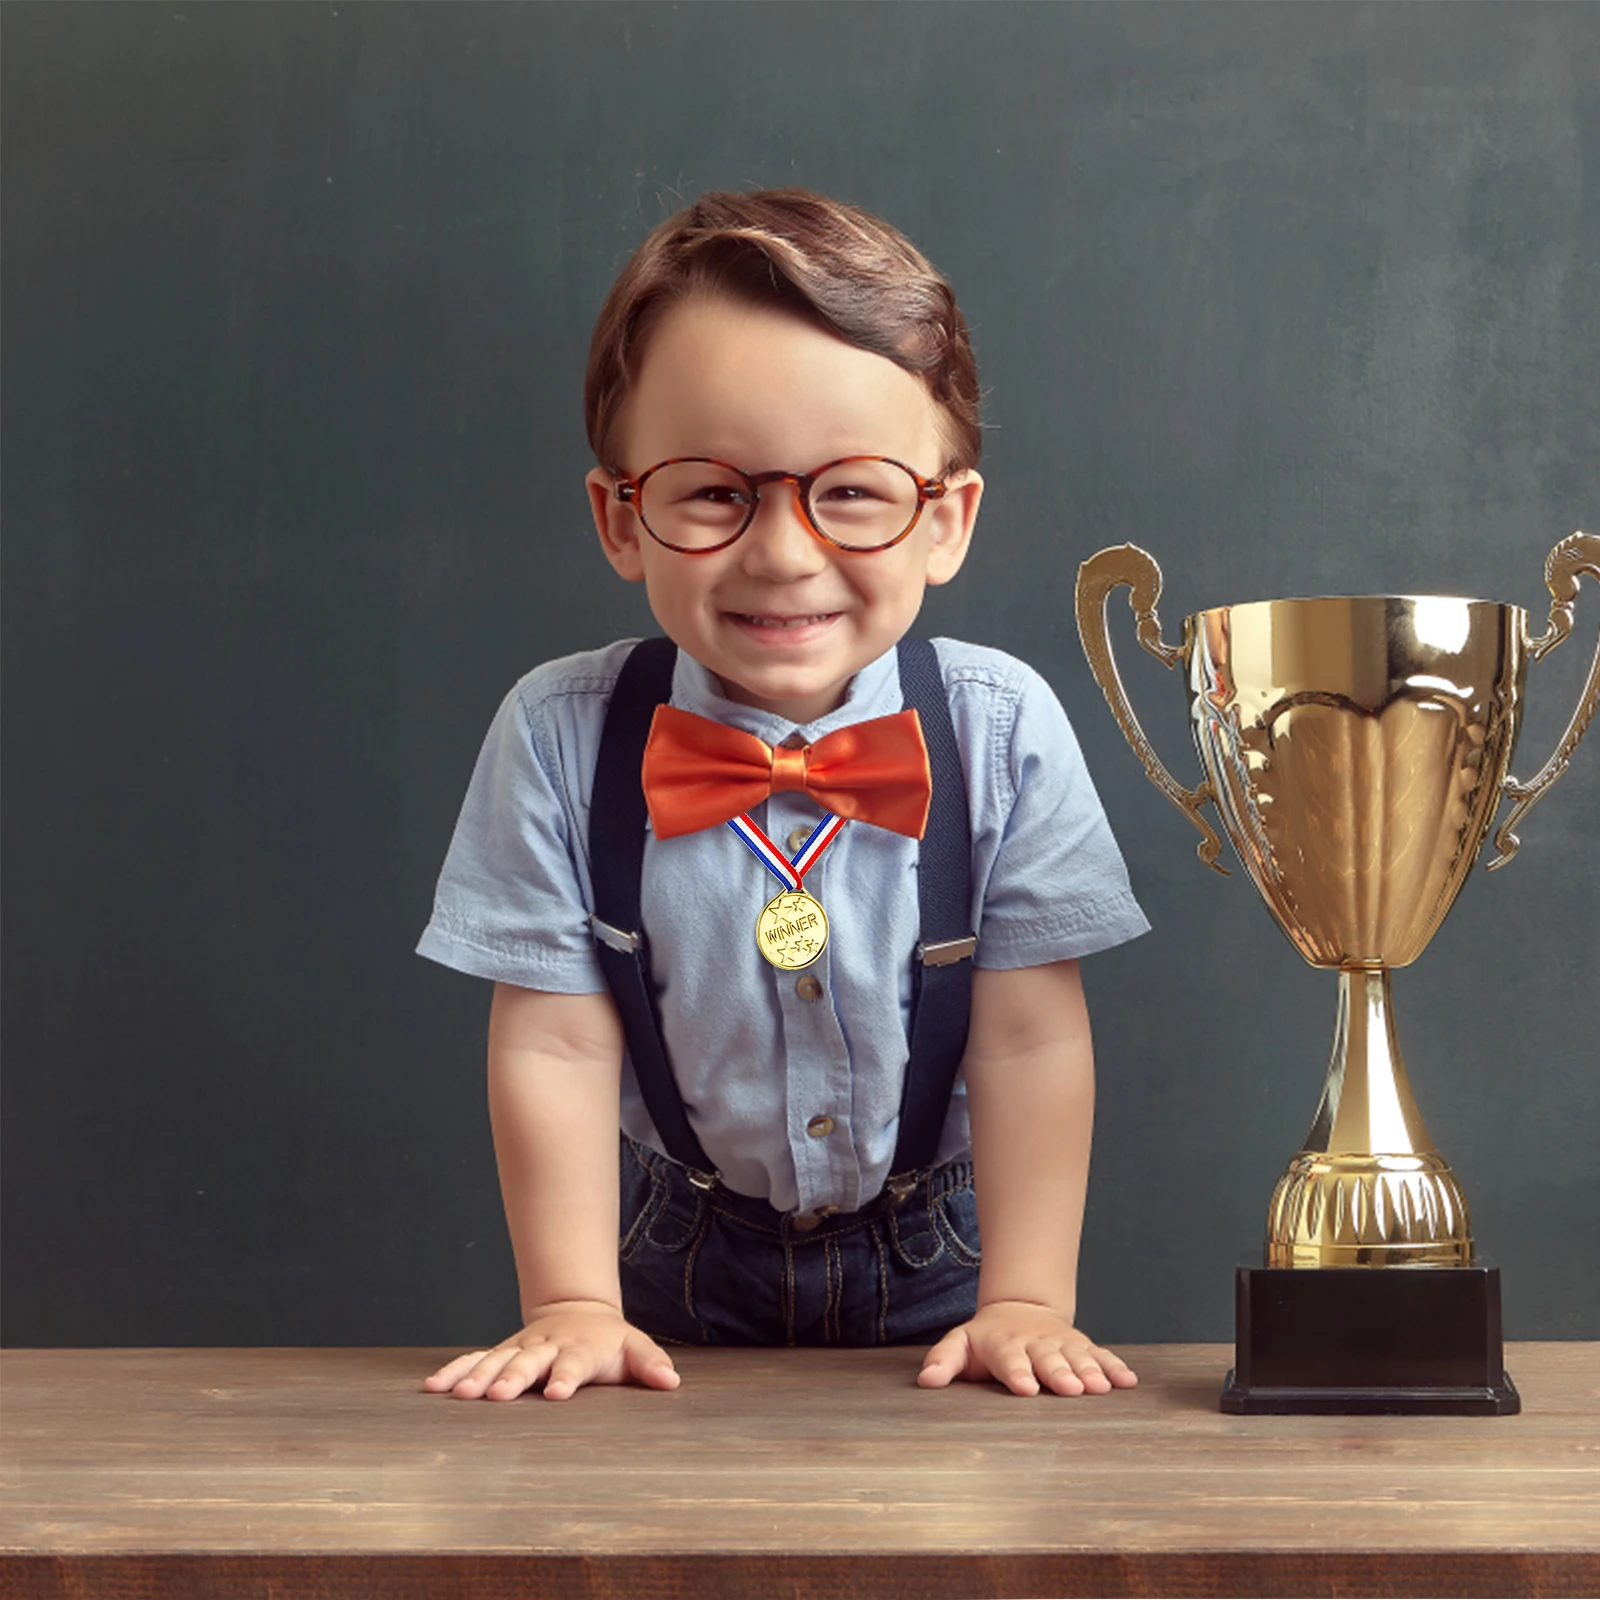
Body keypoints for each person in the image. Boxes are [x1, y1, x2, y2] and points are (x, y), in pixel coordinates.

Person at [417, 189, 1149, 1403]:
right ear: (620, 517)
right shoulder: (560, 734)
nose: (784, 551)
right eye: (713, 490)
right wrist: (570, 1301)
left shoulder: (998, 725)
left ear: (945, 520)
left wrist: (1026, 1298)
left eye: (852, 490)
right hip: (660, 1272)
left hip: (941, 1271)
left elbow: (1029, 1036)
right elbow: (552, 1041)